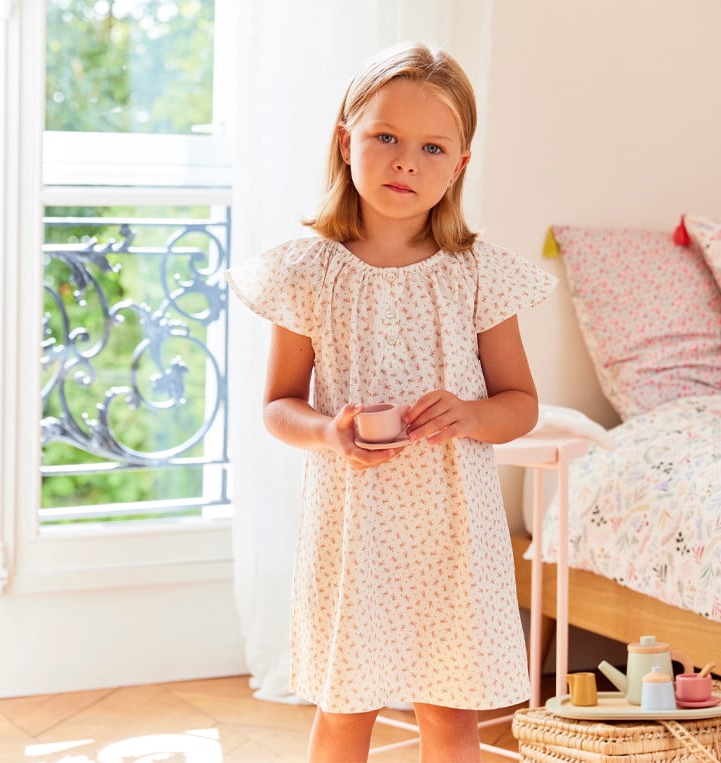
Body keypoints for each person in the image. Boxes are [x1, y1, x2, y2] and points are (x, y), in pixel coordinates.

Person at [226, 42, 556, 763]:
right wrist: (330, 430)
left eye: (432, 147)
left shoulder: (477, 274)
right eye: (386, 138)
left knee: (448, 713)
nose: (407, 161)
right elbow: (280, 405)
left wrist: (471, 414)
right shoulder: (309, 270)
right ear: (346, 142)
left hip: (451, 529)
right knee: (346, 709)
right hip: (354, 528)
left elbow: (521, 402)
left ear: (461, 164)